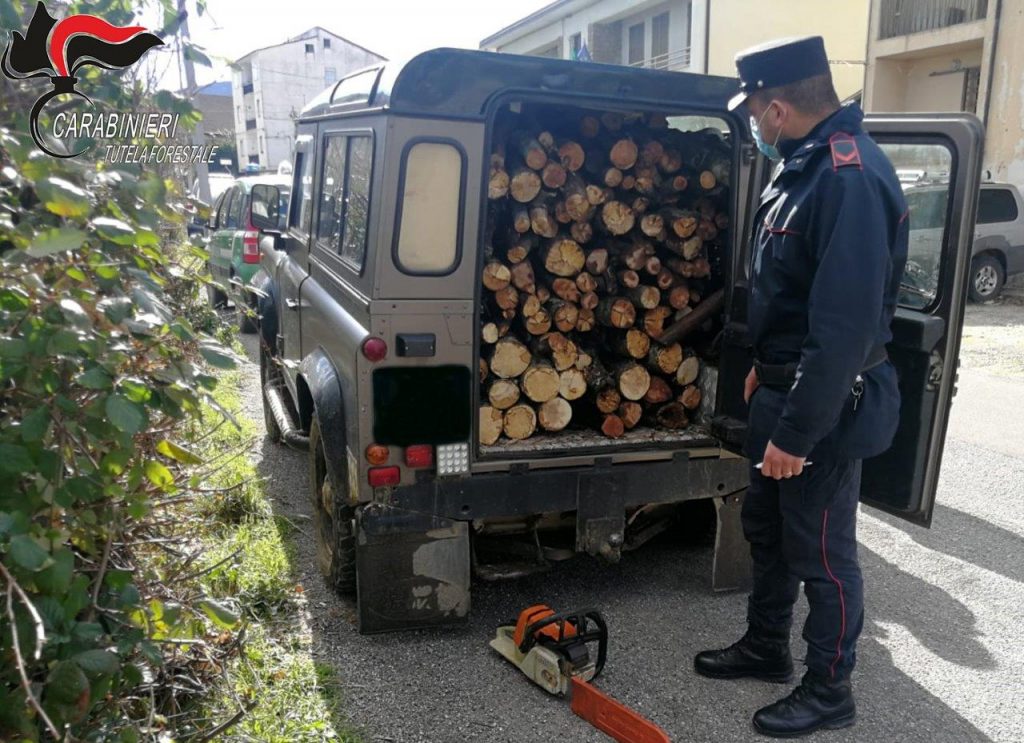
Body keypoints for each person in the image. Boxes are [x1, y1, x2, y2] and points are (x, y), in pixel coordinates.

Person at [692, 36, 909, 738]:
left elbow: (843, 328)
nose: (754, 122)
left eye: (755, 111)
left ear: (778, 107)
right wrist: (763, 366)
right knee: (770, 529)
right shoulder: (807, 168)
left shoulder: (848, 177)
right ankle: (766, 645)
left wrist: (795, 429)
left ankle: (829, 687)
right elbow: (790, 290)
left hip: (824, 404)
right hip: (784, 386)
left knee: (823, 549)